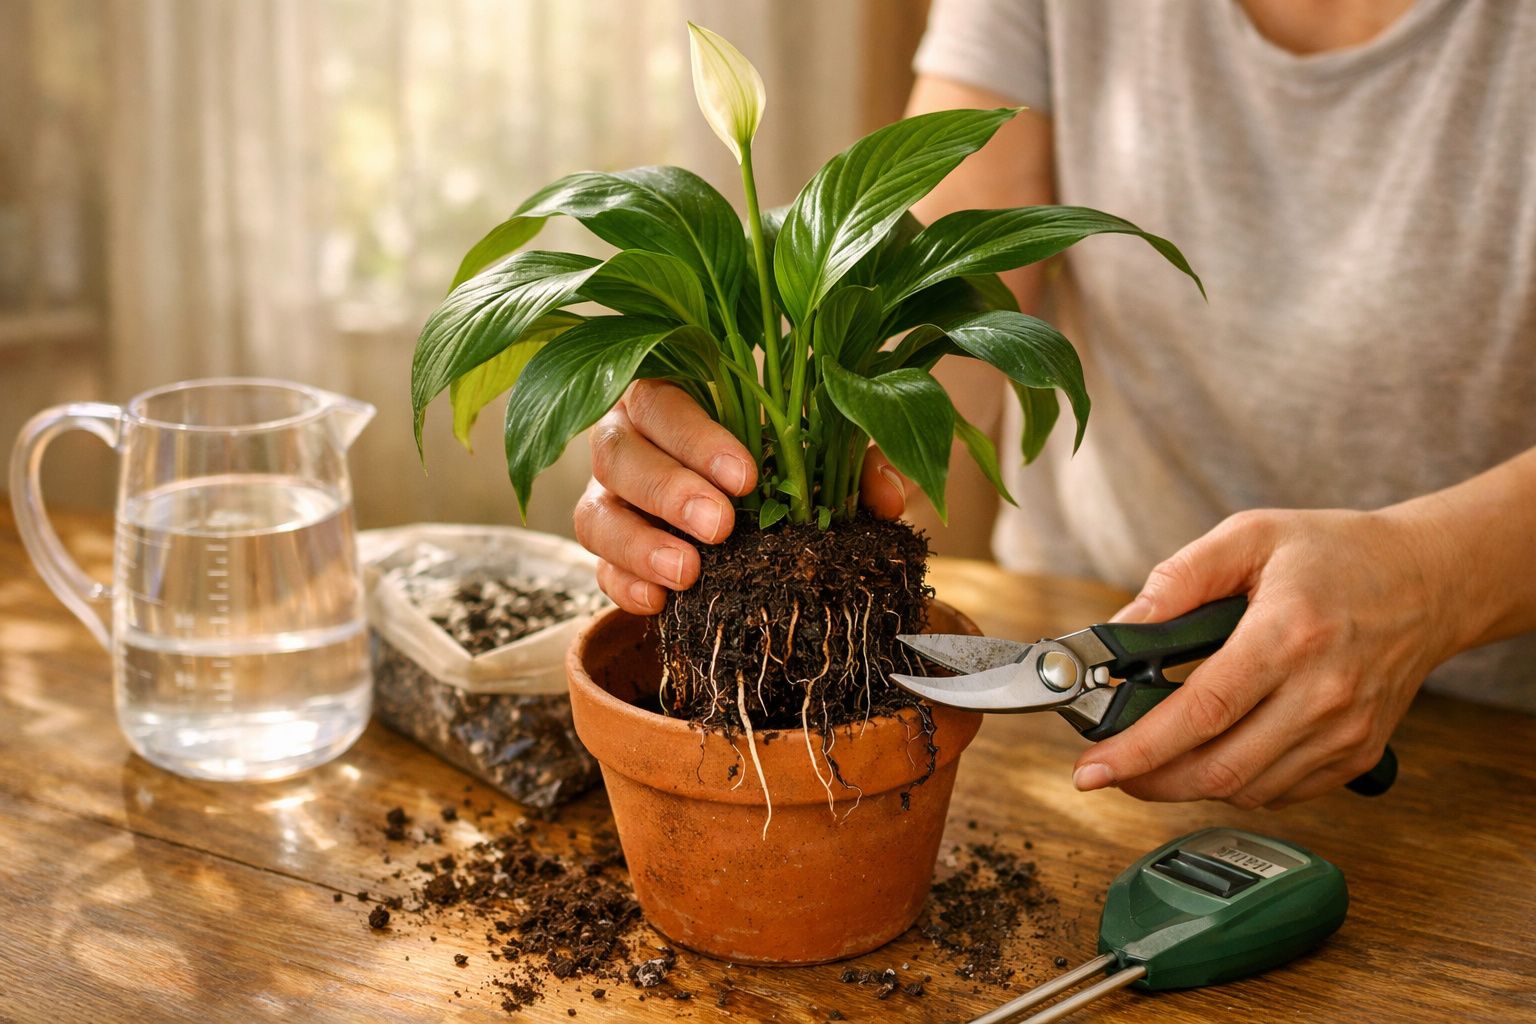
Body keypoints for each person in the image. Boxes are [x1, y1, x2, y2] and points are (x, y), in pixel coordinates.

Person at [571, 0, 1536, 809]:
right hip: (1087, 628)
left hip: (1494, 728)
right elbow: (942, 278)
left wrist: (1429, 583)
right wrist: (749, 458)